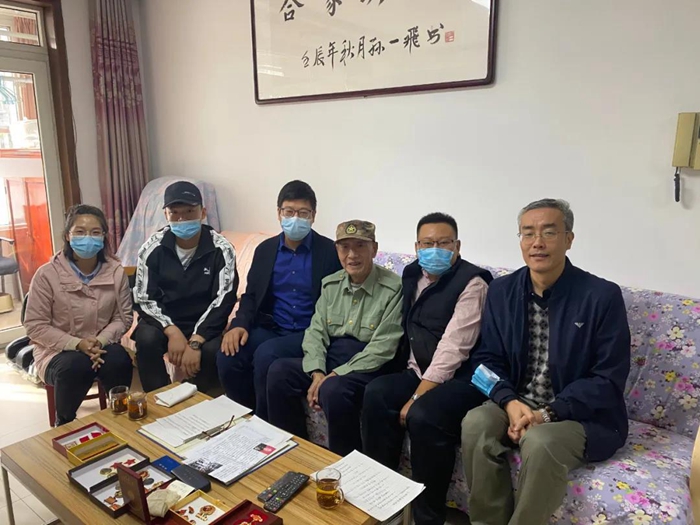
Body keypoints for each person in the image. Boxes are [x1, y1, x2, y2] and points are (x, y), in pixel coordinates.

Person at [460, 199, 631, 525]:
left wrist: (547, 414)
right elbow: (484, 359)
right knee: (476, 423)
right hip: (518, 402)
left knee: (539, 441)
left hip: (581, 416)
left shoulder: (601, 296)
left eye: (549, 232)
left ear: (569, 239)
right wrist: (508, 401)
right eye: (528, 233)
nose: (537, 242)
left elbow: (608, 379)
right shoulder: (502, 291)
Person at [362, 212, 493, 525]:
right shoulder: (411, 274)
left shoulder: (473, 283)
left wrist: (417, 397)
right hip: (416, 369)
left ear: (457, 246)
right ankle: (383, 499)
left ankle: (427, 516)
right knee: (376, 394)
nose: (435, 250)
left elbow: (454, 347)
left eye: (444, 243)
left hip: (461, 379)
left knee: (424, 416)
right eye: (427, 243)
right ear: (417, 247)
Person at [267, 220, 403, 456]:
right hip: (333, 357)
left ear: (374, 249)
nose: (352, 255)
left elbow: (383, 347)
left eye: (360, 246)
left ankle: (345, 462)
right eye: (344, 247)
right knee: (279, 371)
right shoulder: (331, 285)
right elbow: (316, 332)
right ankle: (295, 454)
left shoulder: (393, 288)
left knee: (334, 389)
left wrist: (335, 374)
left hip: (369, 364)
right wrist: (317, 371)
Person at [217, 181, 340, 419]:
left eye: (303, 213)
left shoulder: (329, 252)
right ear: (279, 213)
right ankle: (242, 417)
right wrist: (239, 324)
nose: (295, 218)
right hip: (272, 327)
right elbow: (251, 295)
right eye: (289, 212)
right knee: (228, 354)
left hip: (309, 332)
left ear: (313, 216)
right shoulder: (265, 250)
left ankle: (264, 426)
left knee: (267, 354)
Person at [24, 205, 134, 426]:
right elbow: (35, 325)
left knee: (119, 359)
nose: (88, 238)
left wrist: (99, 341)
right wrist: (77, 344)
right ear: (68, 236)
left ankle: (120, 418)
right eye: (80, 232)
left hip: (101, 344)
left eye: (95, 232)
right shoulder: (47, 275)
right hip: (56, 351)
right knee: (76, 365)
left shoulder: (115, 272)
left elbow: (123, 318)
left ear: (103, 236)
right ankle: (64, 423)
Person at [132, 181, 238, 393]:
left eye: (189, 212)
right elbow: (144, 298)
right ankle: (158, 399)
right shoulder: (152, 248)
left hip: (204, 320)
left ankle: (197, 400)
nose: (182, 219)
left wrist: (196, 340)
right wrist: (172, 332)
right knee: (146, 340)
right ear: (166, 215)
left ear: (203, 212)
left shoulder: (222, 248)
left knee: (212, 351)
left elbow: (224, 299)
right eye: (175, 213)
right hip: (164, 320)